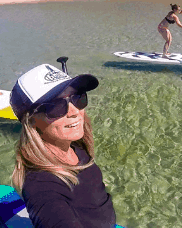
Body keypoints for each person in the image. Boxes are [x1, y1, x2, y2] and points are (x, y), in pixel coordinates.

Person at [9, 64, 116, 228]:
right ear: (31, 121)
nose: (74, 112)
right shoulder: (42, 186)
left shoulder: (76, 148)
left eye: (78, 97)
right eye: (56, 106)